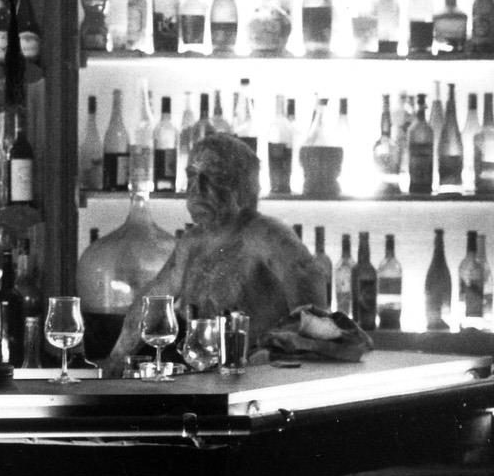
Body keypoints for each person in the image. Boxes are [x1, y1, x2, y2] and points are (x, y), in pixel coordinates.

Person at [104, 133, 327, 375]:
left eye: (214, 178)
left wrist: (271, 355)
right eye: (192, 176)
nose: (197, 190)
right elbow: (151, 304)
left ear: (244, 187)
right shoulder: (192, 242)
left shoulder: (268, 235)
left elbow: (313, 318)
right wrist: (114, 364)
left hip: (257, 380)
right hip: (202, 378)